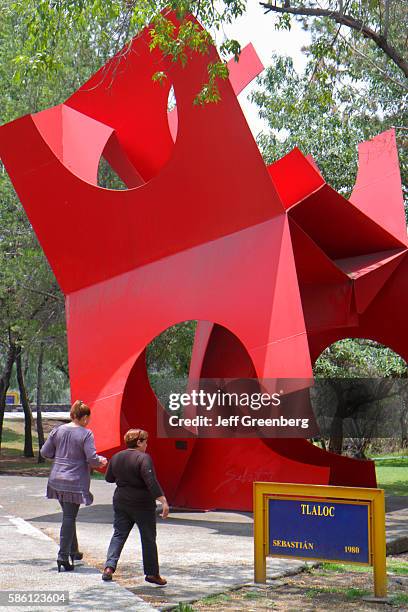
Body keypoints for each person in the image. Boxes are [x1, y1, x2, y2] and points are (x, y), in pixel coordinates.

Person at [40, 399, 107, 572]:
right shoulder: (86, 434)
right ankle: (63, 556)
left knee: (69, 514)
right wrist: (101, 461)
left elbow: (45, 452)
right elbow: (92, 458)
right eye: (88, 418)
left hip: (56, 479)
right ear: (84, 417)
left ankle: (74, 551)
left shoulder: (57, 430)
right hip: (74, 480)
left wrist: (61, 456)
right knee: (69, 517)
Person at [102, 428, 169, 585]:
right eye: (145, 442)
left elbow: (109, 478)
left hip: (121, 501)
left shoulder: (117, 456)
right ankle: (152, 574)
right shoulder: (143, 458)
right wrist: (163, 501)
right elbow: (150, 481)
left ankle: (109, 568)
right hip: (142, 504)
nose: (146, 445)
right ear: (138, 442)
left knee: (119, 534)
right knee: (148, 538)